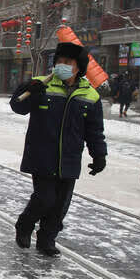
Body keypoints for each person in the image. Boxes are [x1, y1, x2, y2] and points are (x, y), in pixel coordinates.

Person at [10, 42, 107, 257]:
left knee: (60, 205)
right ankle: (25, 225)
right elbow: (17, 105)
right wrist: (28, 90)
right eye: (59, 61)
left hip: (69, 158)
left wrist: (99, 154)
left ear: (78, 67)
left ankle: (47, 239)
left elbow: (94, 129)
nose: (62, 65)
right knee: (44, 198)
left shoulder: (90, 95)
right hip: (42, 154)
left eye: (68, 62)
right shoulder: (41, 85)